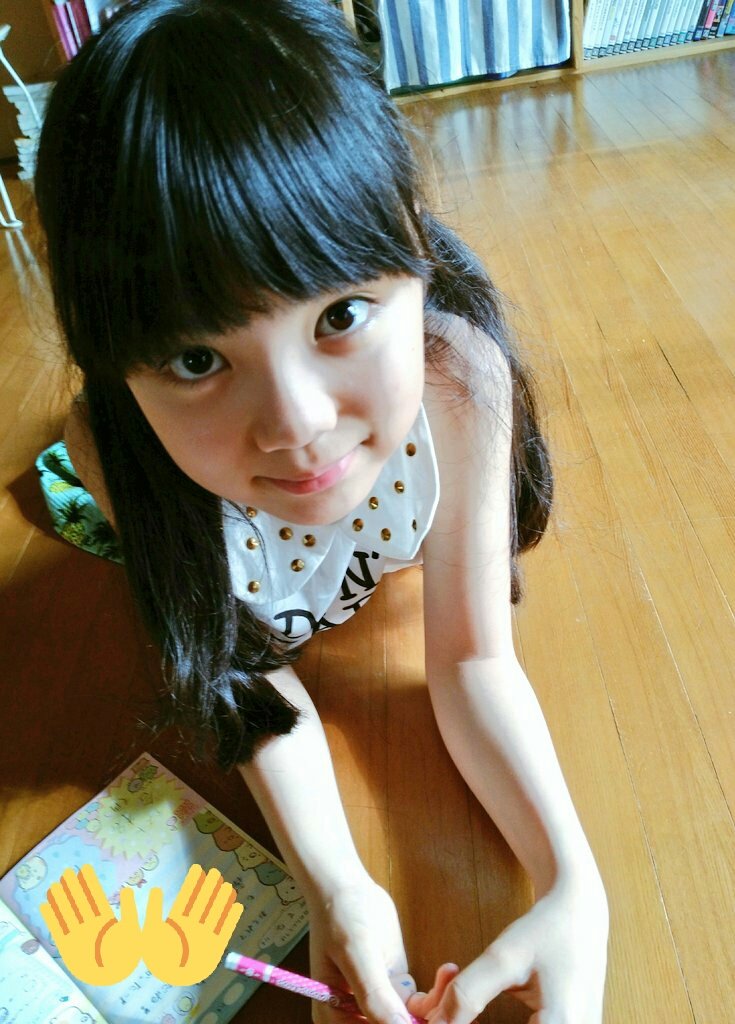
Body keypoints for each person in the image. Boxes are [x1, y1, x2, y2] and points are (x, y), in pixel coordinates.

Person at [33, 1, 609, 1022]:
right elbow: (241, 666)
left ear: (413, 245)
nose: (297, 426)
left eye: (340, 315)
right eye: (197, 359)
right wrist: (336, 884)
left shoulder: (455, 382)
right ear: (116, 370)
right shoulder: (114, 447)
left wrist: (576, 886)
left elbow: (472, 659)